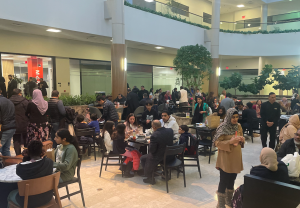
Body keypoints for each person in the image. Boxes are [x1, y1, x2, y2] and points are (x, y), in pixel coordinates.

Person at [213, 108, 245, 208]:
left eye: (237, 117)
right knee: (224, 180)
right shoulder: (223, 127)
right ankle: (221, 204)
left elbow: (240, 139)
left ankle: (228, 201)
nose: (235, 119)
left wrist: (242, 140)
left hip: (235, 158)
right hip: (225, 158)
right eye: (233, 117)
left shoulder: (238, 126)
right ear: (228, 117)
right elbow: (217, 143)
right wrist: (230, 142)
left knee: (232, 179)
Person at [7, 140, 54, 208]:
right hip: (47, 197)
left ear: (28, 152)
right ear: (42, 152)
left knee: (10, 194)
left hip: (28, 201)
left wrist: (26, 157)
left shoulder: (21, 168)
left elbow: (30, 164)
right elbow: (36, 164)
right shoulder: (49, 162)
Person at [9, 89, 29, 155]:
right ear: (19, 93)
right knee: (26, 138)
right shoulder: (24, 101)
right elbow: (28, 110)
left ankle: (18, 155)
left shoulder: (9, 101)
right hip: (24, 122)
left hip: (13, 123)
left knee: (16, 139)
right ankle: (26, 154)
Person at [0, 89, 16, 156]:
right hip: (11, 127)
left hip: (3, 129)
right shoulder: (9, 101)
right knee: (6, 150)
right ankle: (8, 165)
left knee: (4, 149)